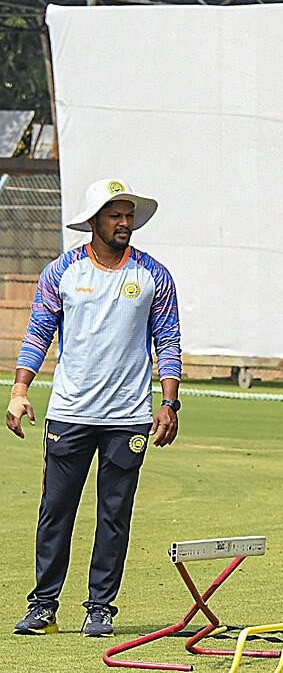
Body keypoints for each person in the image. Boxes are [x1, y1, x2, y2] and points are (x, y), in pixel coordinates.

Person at [5, 178, 182, 637]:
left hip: (128, 417)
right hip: (70, 414)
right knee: (55, 511)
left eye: (128, 215)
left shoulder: (154, 276)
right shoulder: (61, 272)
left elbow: (169, 340)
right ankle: (43, 604)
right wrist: (19, 391)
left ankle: (100, 607)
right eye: (115, 215)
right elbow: (38, 334)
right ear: (94, 221)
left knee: (114, 515)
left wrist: (169, 402)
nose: (125, 223)